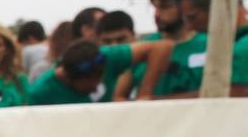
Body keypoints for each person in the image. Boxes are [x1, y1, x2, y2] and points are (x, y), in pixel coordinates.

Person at [27, 38, 172, 106]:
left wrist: (144, 95)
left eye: (100, 80)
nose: (96, 87)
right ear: (68, 77)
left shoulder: (105, 57)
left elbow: (162, 47)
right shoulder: (40, 94)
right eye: (90, 86)